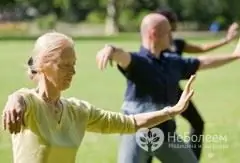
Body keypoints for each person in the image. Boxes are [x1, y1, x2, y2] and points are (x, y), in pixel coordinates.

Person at [1, 32, 196, 163]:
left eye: (73, 64)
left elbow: (130, 122)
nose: (72, 72)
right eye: (64, 65)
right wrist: (14, 98)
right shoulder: (28, 104)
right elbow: (22, 97)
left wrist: (172, 110)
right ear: (42, 65)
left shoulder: (77, 111)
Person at [96, 13, 240, 163]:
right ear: (154, 34)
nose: (172, 36)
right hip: (136, 136)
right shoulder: (138, 62)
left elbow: (203, 62)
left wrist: (235, 56)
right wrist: (110, 50)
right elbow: (121, 56)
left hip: (165, 135)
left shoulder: (172, 62)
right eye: (168, 32)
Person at [155, 8, 239, 161]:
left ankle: (192, 158)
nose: (175, 25)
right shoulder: (156, 46)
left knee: (197, 123)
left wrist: (227, 40)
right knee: (156, 131)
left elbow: (201, 50)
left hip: (175, 91)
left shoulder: (177, 44)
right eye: (172, 21)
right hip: (158, 93)